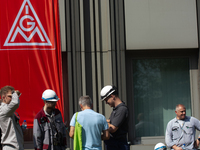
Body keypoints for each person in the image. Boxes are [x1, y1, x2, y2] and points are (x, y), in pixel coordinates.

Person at [100, 85, 129, 150]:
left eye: (106, 100)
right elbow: (109, 123)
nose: (106, 102)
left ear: (112, 96)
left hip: (119, 146)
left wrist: (101, 121)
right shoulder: (116, 110)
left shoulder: (121, 109)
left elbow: (112, 128)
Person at [0, 85, 24, 150]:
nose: (13, 98)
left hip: (16, 146)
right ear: (3, 97)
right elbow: (15, 103)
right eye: (10, 96)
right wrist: (15, 94)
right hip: (10, 147)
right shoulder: (3, 109)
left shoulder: (9, 111)